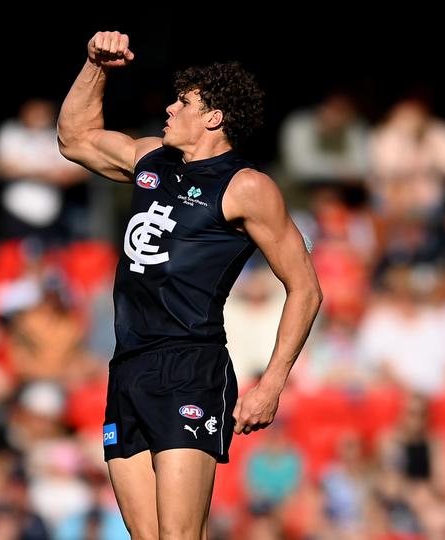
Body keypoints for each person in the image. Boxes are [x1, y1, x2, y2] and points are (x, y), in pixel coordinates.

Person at [58, 31, 322, 539]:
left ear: (214, 118)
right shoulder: (151, 158)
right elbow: (75, 139)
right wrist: (95, 66)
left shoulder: (246, 186)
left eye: (184, 102)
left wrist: (271, 384)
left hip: (189, 366)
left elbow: (306, 288)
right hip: (128, 366)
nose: (170, 108)